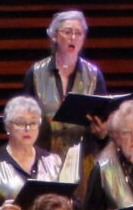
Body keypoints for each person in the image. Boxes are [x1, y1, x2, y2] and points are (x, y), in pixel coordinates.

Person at [27, 8, 106, 156]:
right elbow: (24, 115)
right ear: (54, 36)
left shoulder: (94, 75)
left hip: (84, 159)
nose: (73, 37)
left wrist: (102, 130)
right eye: (68, 32)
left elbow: (103, 120)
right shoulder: (35, 73)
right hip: (44, 157)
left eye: (78, 33)